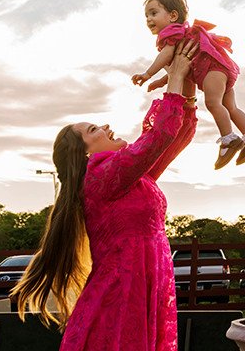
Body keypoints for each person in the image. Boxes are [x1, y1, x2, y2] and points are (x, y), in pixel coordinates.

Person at [13, 40, 199, 351]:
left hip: (143, 287)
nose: (106, 126)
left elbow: (173, 140)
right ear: (84, 153)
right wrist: (176, 78)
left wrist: (187, 86)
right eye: (94, 129)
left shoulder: (126, 177)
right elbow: (160, 135)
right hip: (122, 293)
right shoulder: (101, 176)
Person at [131, 0, 245, 169]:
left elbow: (165, 56)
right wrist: (161, 81)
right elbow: (181, 67)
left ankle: (229, 140)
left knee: (212, 103)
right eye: (146, 16)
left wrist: (147, 74)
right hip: (221, 70)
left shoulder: (172, 34)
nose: (149, 19)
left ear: (172, 16)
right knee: (230, 107)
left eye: (153, 13)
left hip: (212, 70)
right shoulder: (183, 34)